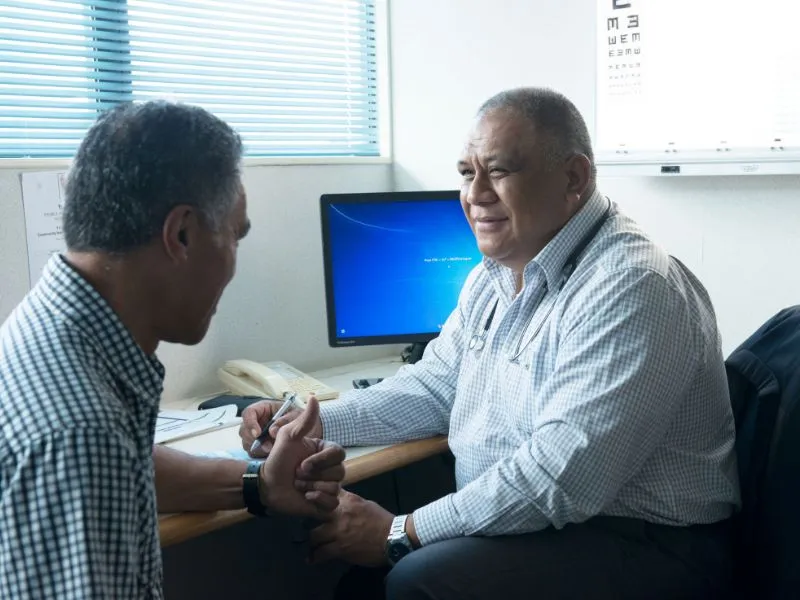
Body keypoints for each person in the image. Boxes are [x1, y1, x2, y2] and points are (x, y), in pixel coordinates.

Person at [240, 87, 741, 599]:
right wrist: (309, 420)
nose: (475, 193)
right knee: (363, 587)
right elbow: (435, 388)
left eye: (498, 171)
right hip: (555, 526)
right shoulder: (496, 275)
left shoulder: (631, 285)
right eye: (465, 172)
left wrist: (399, 532)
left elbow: (558, 476)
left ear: (574, 178)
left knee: (416, 582)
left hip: (646, 545)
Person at [0, 101, 346, 599]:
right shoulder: (82, 431)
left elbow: (134, 468)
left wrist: (261, 483)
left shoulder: (51, 332)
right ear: (181, 234)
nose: (233, 263)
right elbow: (95, 453)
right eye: (234, 235)